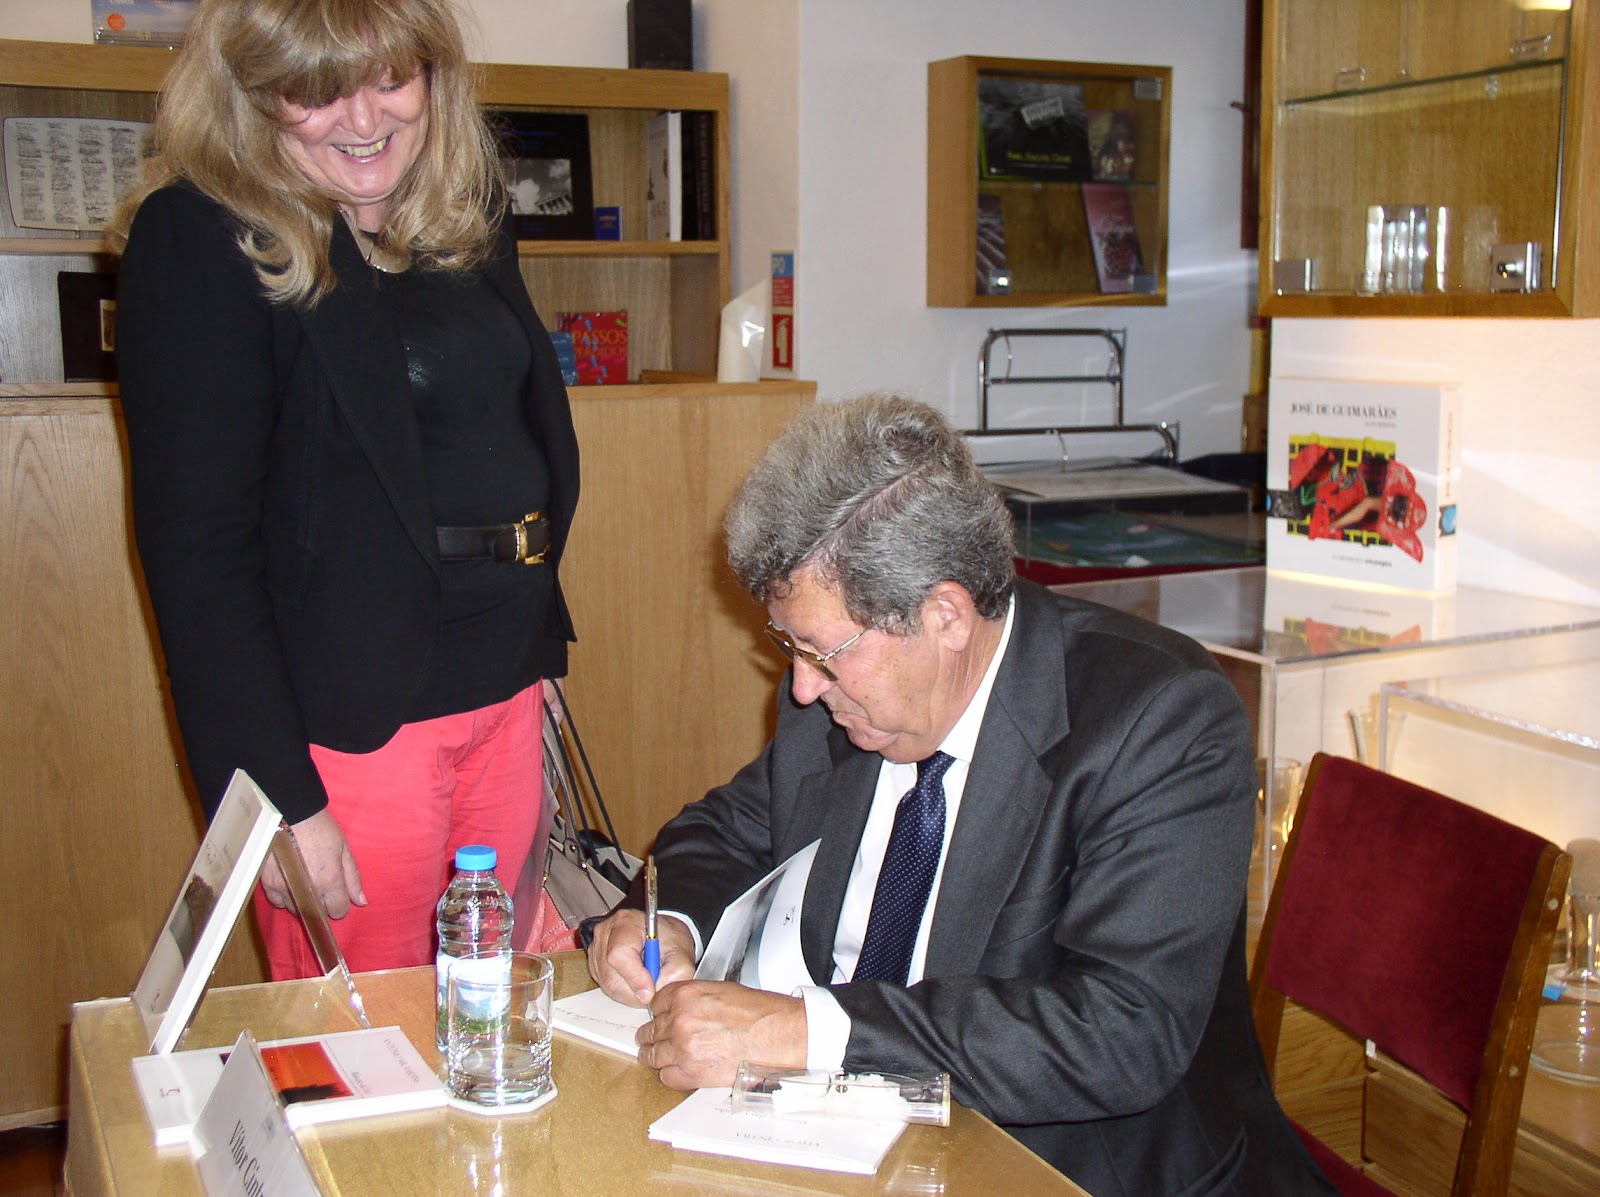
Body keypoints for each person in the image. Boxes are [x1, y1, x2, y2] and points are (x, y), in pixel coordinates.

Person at [587, 396, 1336, 1195]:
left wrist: (807, 1031)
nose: (801, 686)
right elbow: (725, 828)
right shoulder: (840, 704)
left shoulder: (1159, 720)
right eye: (790, 645)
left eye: (824, 652)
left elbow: (1122, 1032)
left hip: (1064, 1167)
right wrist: (665, 920)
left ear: (945, 614)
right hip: (846, 1143)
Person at [110, 0, 579, 979]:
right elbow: (199, 555)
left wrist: (532, 662)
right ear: (251, 95)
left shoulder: (463, 216)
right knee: (363, 1036)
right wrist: (280, 796)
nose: (364, 119)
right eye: (316, 91)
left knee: (493, 1002)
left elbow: (506, 435)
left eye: (391, 79)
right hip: (351, 730)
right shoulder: (201, 235)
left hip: (502, 688)